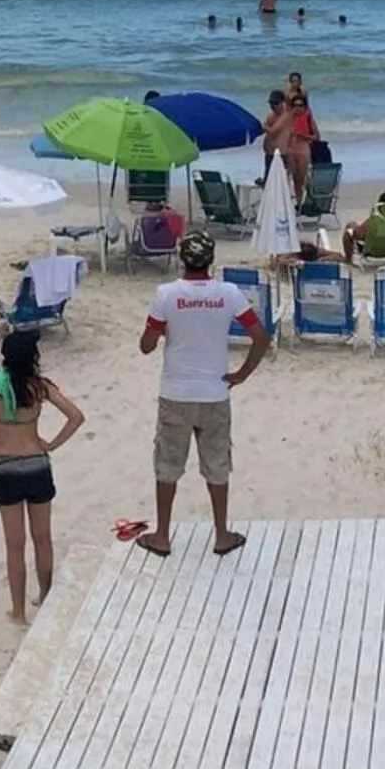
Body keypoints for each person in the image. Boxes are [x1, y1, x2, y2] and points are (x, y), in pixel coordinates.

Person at [137, 231, 271, 558]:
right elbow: (260, 337)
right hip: (214, 392)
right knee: (217, 465)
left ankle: (162, 535)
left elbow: (146, 346)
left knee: (168, 465)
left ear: (182, 258)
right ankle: (222, 534)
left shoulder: (166, 294)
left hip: (176, 392)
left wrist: (166, 330)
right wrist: (241, 375)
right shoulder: (229, 293)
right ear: (211, 259)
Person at [0, 328, 84, 623]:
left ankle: (18, 611)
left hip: (6, 467)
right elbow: (76, 416)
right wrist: (52, 444)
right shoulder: (39, 386)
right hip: (37, 464)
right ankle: (45, 596)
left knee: (15, 546)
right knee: (43, 538)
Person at [341, 192, 385, 262]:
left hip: (373, 250)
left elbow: (359, 234)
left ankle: (348, 260)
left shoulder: (376, 220)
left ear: (380, 206)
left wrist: (351, 230)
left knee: (349, 227)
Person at [260, 89, 293, 187]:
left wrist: (263, 126)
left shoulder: (286, 115)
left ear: (282, 103)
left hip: (281, 154)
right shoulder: (271, 115)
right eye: (271, 104)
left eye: (275, 104)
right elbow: (265, 129)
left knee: (280, 183)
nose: (273, 106)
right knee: (268, 183)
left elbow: (273, 130)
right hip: (269, 153)